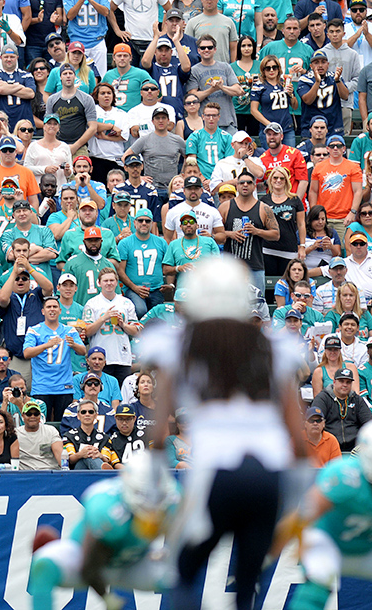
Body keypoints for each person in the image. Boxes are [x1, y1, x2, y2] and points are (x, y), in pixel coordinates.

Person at [137, 257, 305, 610]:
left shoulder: (177, 344)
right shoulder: (274, 348)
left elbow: (158, 424)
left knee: (184, 571)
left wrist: (153, 476)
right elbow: (296, 431)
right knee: (246, 585)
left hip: (217, 472)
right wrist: (298, 494)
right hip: (267, 473)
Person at [279, 421, 372, 610]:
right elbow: (303, 517)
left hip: (371, 544)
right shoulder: (343, 476)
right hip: (330, 541)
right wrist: (271, 550)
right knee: (319, 575)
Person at [29, 454, 179, 610]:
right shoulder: (106, 510)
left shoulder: (174, 500)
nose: (151, 503)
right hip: (87, 561)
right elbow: (88, 568)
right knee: (44, 564)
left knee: (181, 578)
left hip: (135, 561)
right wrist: (106, 597)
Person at [16, 400, 61, 469]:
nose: (32, 416)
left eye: (36, 414)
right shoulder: (16, 434)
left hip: (49, 472)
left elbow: (60, 455)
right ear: (23, 416)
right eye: (29, 414)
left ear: (40, 416)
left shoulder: (51, 430)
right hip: (25, 474)